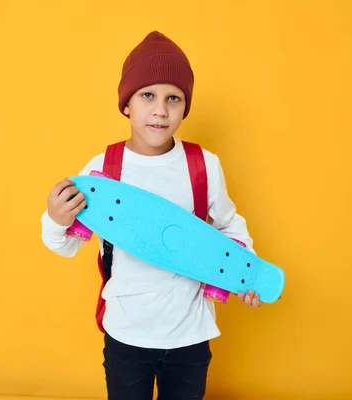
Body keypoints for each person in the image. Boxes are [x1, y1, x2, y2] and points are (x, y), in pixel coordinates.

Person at [41, 31, 262, 400]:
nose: (160, 109)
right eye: (148, 96)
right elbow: (64, 246)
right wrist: (55, 217)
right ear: (126, 104)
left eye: (173, 98)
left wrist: (246, 268)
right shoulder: (104, 169)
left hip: (190, 332)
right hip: (126, 331)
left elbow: (227, 223)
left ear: (184, 107)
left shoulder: (203, 165)